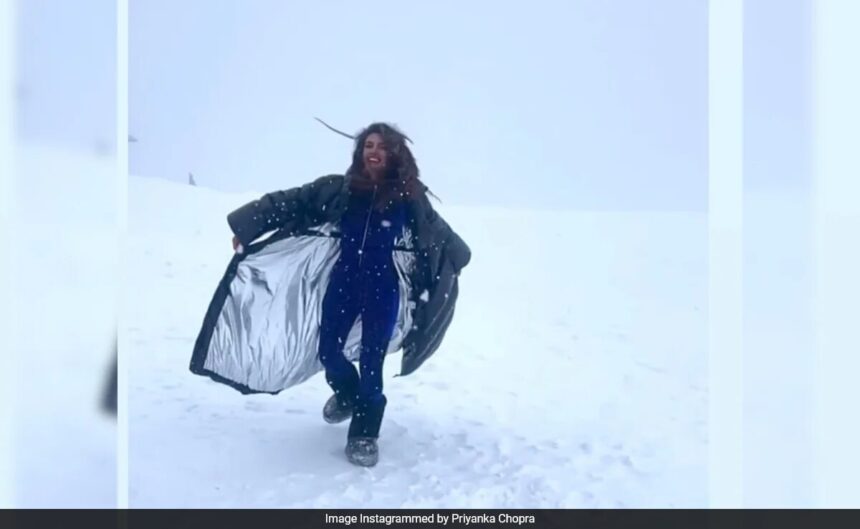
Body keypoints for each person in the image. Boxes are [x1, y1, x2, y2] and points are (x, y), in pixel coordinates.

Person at [190, 122, 471, 467]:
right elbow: (292, 202)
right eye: (369, 145)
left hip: (382, 289)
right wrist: (249, 226)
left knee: (372, 362)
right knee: (328, 351)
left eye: (382, 146)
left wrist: (457, 260)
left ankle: (365, 432)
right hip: (345, 282)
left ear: (395, 153)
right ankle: (348, 393)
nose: (374, 152)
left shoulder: (408, 196)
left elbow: (439, 235)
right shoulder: (341, 189)